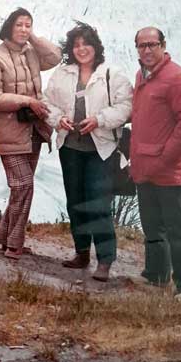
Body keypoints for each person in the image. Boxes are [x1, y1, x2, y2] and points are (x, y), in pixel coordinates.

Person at [44, 23, 133, 281]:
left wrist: (99, 119)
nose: (81, 49)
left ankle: (105, 260)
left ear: (96, 46)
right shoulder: (62, 74)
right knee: (75, 201)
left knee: (98, 204)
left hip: (100, 149)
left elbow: (126, 106)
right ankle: (81, 252)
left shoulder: (111, 74)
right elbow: (47, 102)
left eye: (86, 43)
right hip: (70, 147)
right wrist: (58, 119)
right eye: (76, 45)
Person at [0, 8, 61, 259]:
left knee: (21, 187)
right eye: (19, 25)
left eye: (28, 25)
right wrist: (27, 101)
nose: (24, 29)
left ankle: (5, 237)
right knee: (24, 184)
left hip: (34, 130)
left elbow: (55, 57)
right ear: (9, 27)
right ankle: (15, 243)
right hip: (9, 130)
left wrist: (33, 38)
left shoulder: (32, 53)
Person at [131, 26, 181, 300]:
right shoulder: (142, 75)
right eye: (141, 45)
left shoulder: (178, 78)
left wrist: (165, 157)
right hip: (144, 166)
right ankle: (157, 275)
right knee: (152, 225)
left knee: (178, 229)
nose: (147, 50)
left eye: (152, 44)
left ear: (163, 45)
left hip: (168, 169)